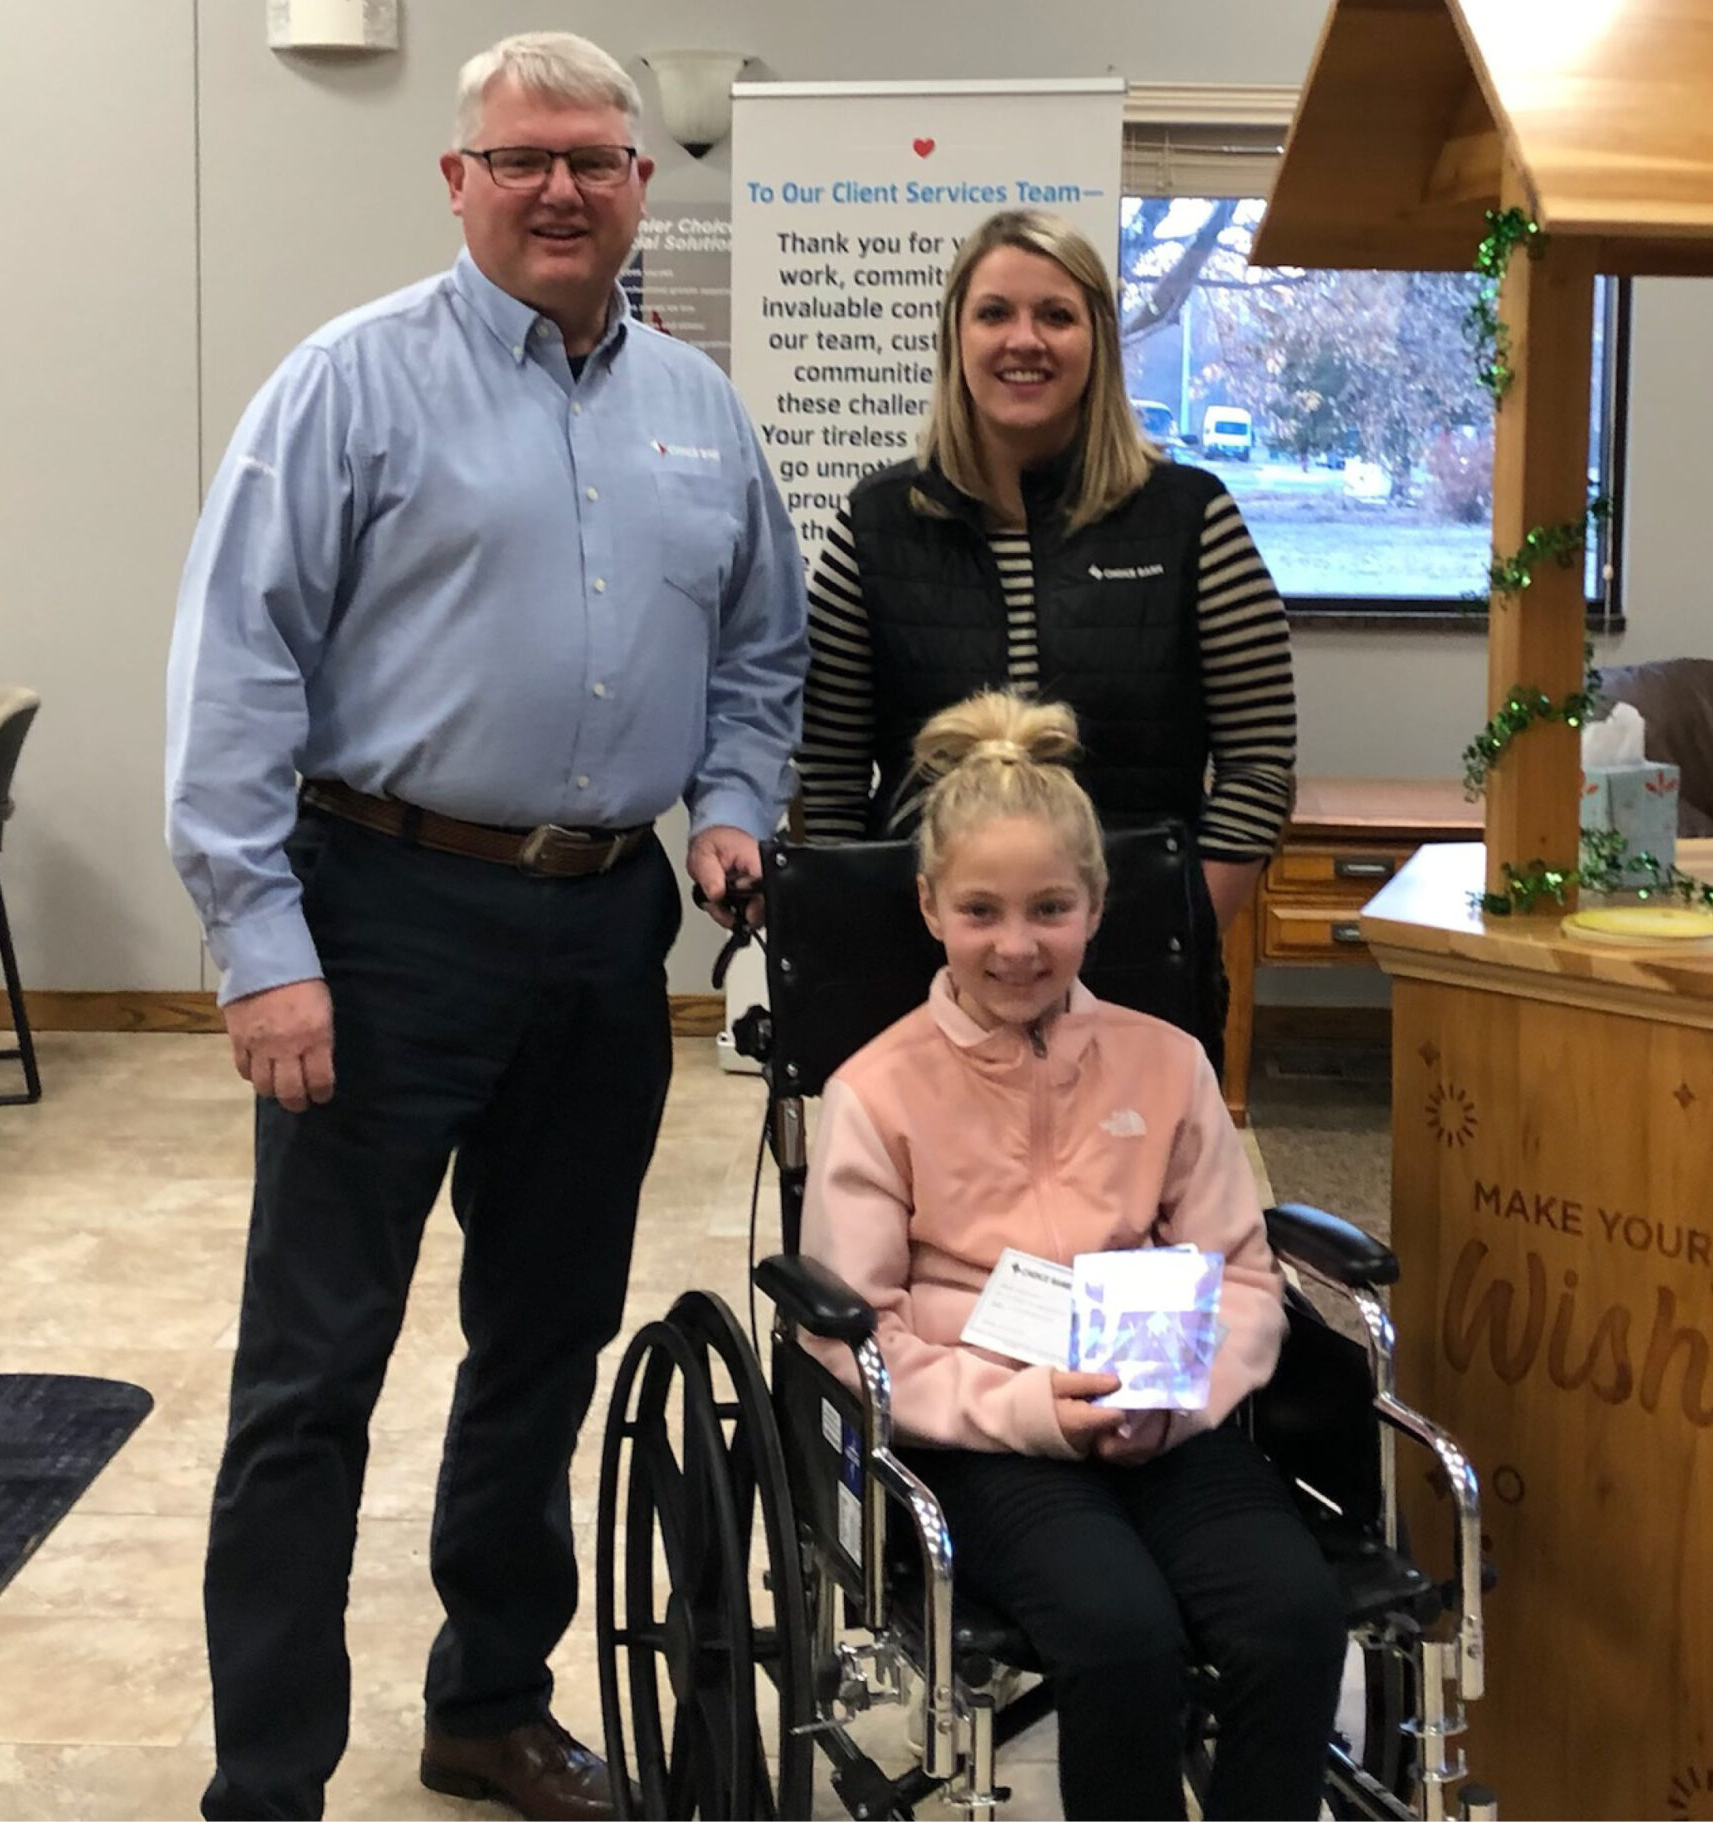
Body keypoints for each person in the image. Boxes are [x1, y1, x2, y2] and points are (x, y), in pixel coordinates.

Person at [164, 31, 805, 1821]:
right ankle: (266, 1778)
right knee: (314, 1369)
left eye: (593, 158)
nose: (560, 189)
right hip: (377, 915)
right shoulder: (345, 387)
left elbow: (762, 647)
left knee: (547, 1337)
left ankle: (488, 1702)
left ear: (639, 185)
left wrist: (733, 805)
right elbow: (234, 677)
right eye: (521, 159)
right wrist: (262, 946)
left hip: (603, 932)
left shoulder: (700, 410)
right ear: (457, 180)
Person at [808, 690, 1346, 1820]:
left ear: (1097, 906)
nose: (1017, 944)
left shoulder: (1166, 1063)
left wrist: (1185, 1394)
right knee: (1120, 1638)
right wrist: (1037, 1413)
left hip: (1163, 1409)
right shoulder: (875, 1088)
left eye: (1050, 907)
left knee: (1293, 1617)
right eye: (982, 910)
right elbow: (857, 1335)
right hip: (985, 1430)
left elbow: (1242, 1274)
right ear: (929, 907)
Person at [793, 208, 1298, 1049]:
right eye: (994, 313)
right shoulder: (874, 524)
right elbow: (832, 773)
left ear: (1096, 339)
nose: (1023, 340)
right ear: (956, 337)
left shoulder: (1192, 518)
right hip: (928, 978)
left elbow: (1258, 765)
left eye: (1055, 315)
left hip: (1140, 972)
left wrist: (1172, 928)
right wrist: (880, 933)